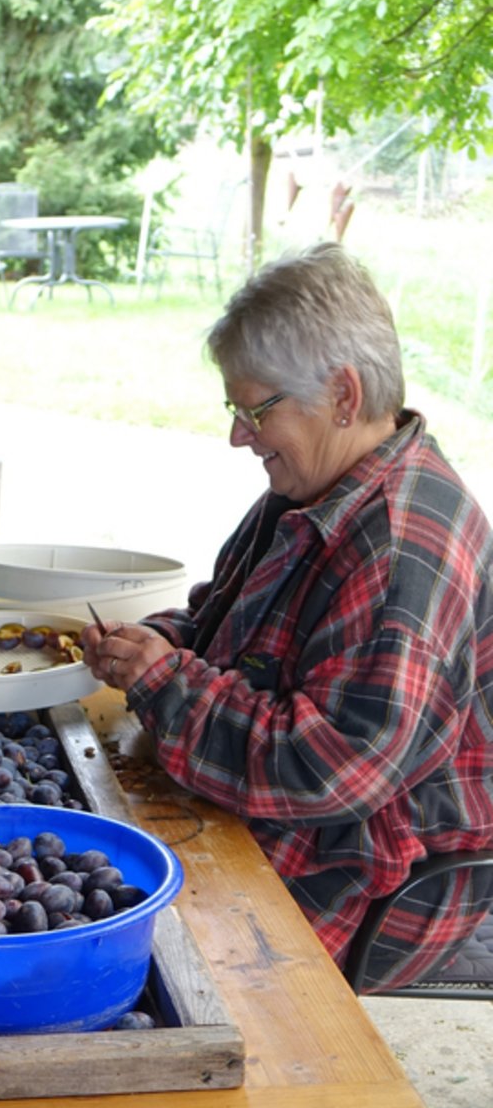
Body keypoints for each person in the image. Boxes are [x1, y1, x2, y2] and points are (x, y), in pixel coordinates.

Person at [81, 242, 493, 992]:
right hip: (305, 822)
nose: (239, 435)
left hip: (369, 877)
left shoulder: (398, 545)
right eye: (234, 410)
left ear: (343, 394)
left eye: (256, 410)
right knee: (77, 855)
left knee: (117, 949)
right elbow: (219, 623)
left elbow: (331, 772)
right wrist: (152, 645)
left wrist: (167, 683)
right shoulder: (311, 487)